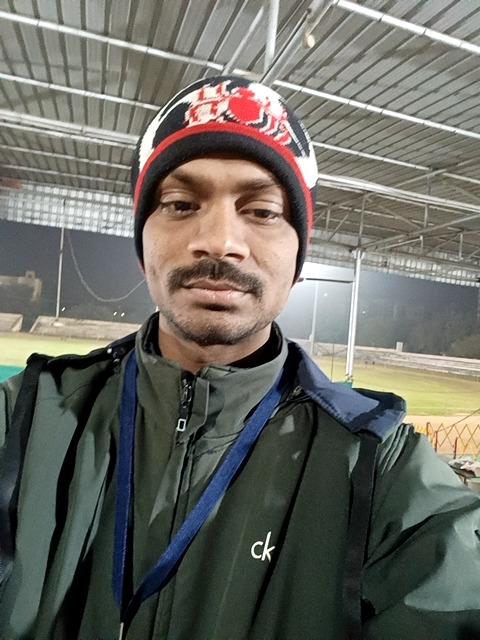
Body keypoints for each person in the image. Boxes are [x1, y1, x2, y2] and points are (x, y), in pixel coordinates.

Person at [0, 76, 479, 640]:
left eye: (263, 211)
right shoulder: (25, 419)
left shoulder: (382, 467)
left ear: (297, 257)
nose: (220, 241)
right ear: (142, 244)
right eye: (180, 204)